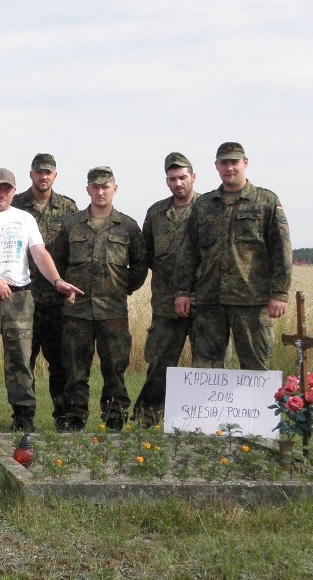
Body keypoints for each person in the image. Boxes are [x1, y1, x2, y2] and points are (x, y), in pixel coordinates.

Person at [0, 168, 82, 431]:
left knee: (20, 359)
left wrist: (57, 281)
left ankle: (23, 416)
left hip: (19, 299)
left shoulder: (24, 219)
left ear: (13, 191)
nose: (2, 193)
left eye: (7, 188)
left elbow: (40, 254)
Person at [174, 142, 291, 370]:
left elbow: (281, 249)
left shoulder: (266, 201)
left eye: (234, 162)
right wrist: (182, 291)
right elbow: (189, 250)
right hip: (209, 300)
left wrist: (280, 292)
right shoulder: (204, 205)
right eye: (224, 163)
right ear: (216, 166)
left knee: (256, 366)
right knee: (206, 366)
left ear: (245, 163)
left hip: (251, 300)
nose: (230, 168)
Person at [52, 166, 148, 431]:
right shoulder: (72, 224)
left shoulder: (128, 226)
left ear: (114, 189)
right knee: (75, 370)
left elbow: (140, 264)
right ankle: (74, 416)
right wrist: (65, 286)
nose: (100, 191)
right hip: (77, 311)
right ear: (88, 190)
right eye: (95, 187)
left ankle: (115, 415)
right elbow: (57, 262)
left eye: (106, 186)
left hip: (113, 311)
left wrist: (122, 289)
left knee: (115, 368)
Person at [11, 153, 78, 430]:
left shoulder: (68, 207)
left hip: (55, 302)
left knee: (60, 364)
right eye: (39, 172)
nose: (43, 176)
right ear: (31, 174)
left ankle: (62, 415)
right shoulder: (15, 206)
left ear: (55, 175)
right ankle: (23, 419)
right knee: (23, 363)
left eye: (48, 172)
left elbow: (74, 251)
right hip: (23, 299)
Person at [132, 153, 199, 426]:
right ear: (167, 182)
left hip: (205, 303)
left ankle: (201, 423)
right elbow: (145, 254)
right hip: (166, 303)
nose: (178, 183)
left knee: (206, 365)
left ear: (193, 177)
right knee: (160, 363)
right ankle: (146, 421)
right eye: (173, 179)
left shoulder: (209, 207)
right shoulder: (156, 213)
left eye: (183, 177)